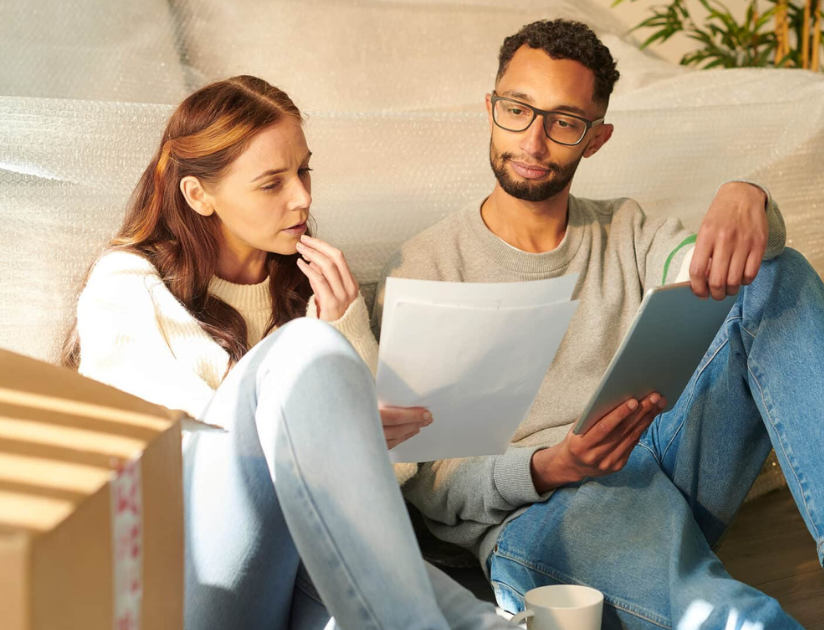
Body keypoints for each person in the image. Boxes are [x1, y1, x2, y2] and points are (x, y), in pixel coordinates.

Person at [376, 20, 824, 630]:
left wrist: (750, 196)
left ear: (596, 138)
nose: (533, 142)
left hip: (662, 468)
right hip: (541, 511)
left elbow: (729, 271)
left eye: (563, 122)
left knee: (777, 276)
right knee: (742, 620)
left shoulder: (625, 230)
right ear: (491, 107)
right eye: (517, 110)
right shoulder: (425, 265)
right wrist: (551, 465)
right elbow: (430, 485)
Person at [65, 75, 516, 630]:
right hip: (187, 582)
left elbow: (397, 474)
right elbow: (171, 466)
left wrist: (345, 324)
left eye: (303, 170)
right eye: (271, 183)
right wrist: (317, 423)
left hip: (299, 581)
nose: (302, 196)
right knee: (301, 350)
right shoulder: (128, 286)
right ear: (198, 195)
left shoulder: (312, 294)